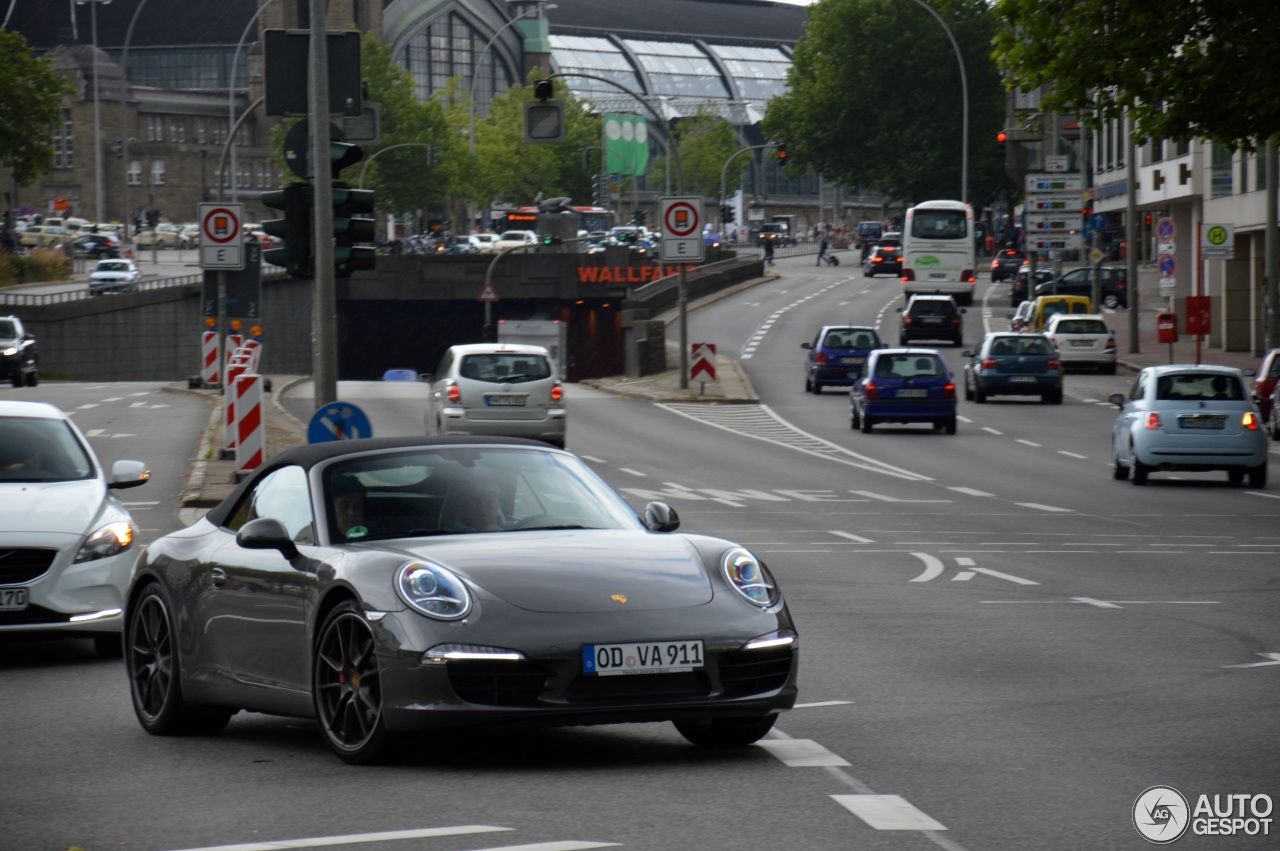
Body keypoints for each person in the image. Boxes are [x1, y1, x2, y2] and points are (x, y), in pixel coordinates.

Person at [332, 474, 369, 540]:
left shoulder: (371, 539)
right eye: (344, 507)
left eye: (357, 507)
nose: (352, 513)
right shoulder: (319, 536)